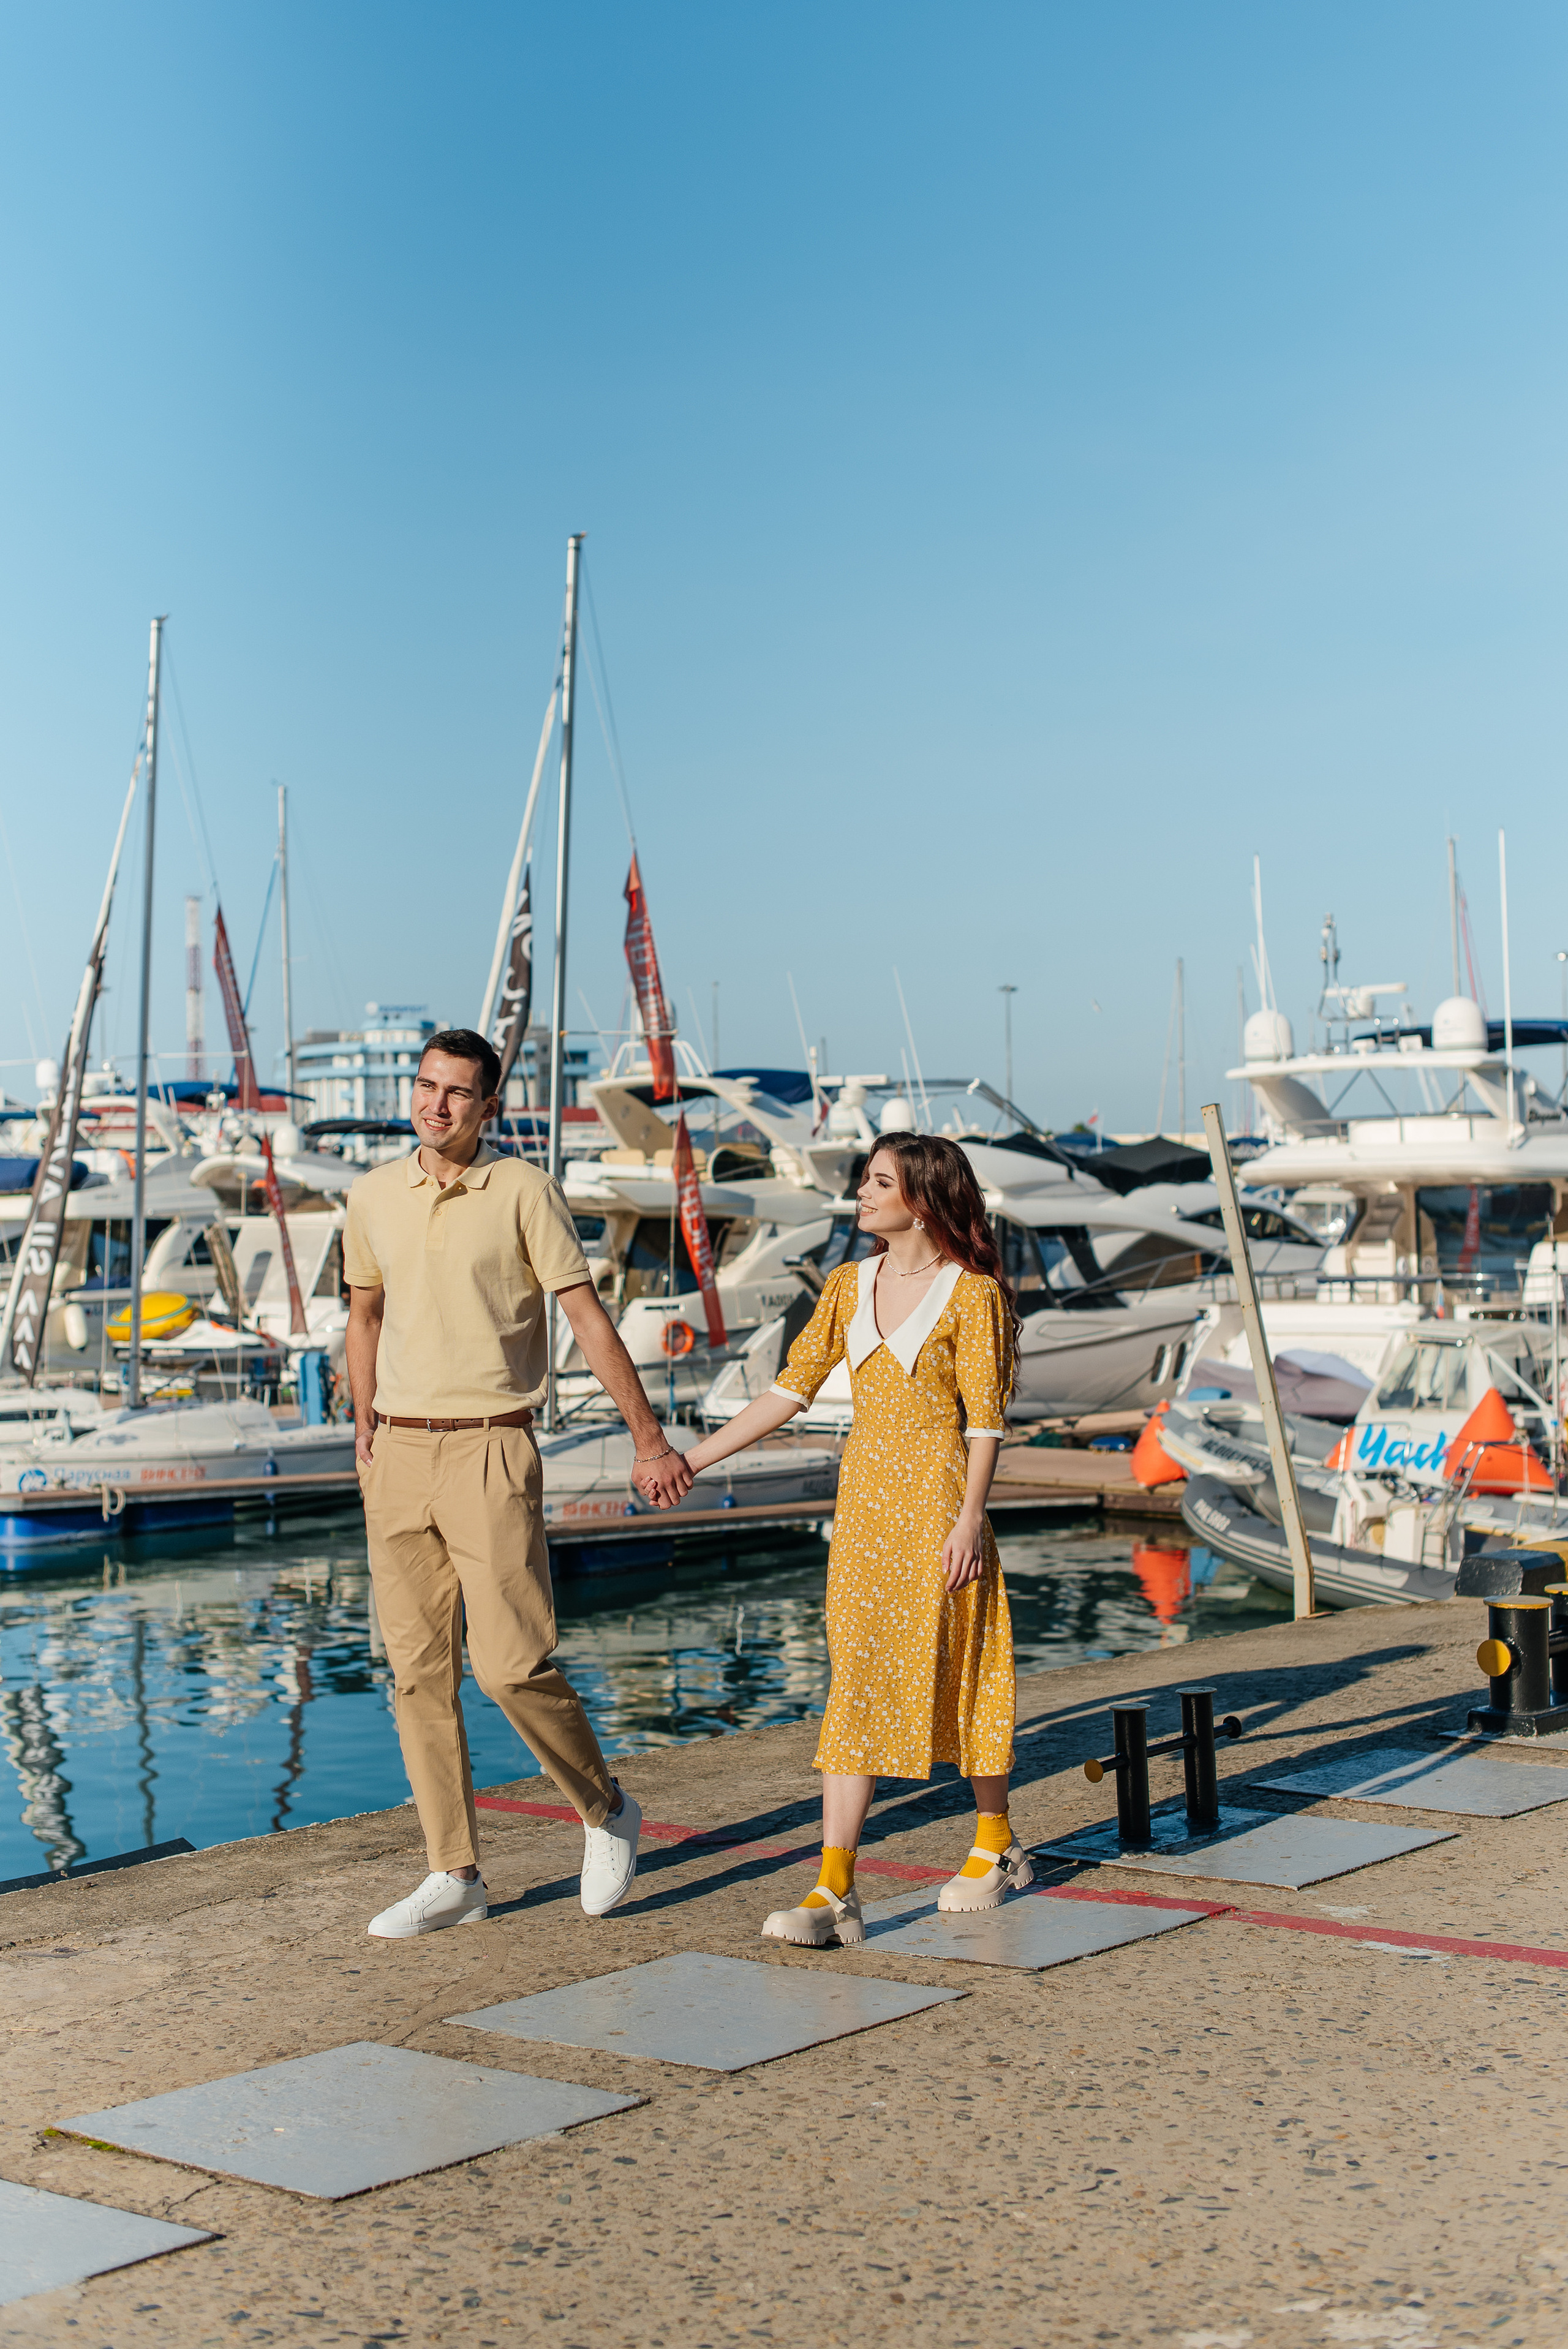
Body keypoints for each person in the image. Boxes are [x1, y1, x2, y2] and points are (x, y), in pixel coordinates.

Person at [344, 1028, 694, 1938]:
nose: (436, 1105)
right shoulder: (372, 1195)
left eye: (458, 1092)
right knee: (416, 1677)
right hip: (397, 1455)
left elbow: (586, 1317)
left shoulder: (523, 1191)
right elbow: (364, 1316)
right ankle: (454, 1874)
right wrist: (363, 1429)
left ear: (488, 1107)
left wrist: (649, 1440)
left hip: (492, 1448)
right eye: (427, 1086)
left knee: (509, 1667)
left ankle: (607, 1808)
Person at [680, 1130, 1029, 1946]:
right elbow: (788, 1391)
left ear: (923, 1199)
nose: (862, 1194)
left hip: (940, 1503)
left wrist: (970, 1518)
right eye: (864, 1181)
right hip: (866, 1509)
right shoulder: (848, 1284)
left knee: (964, 1667)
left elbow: (985, 1423)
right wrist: (693, 1459)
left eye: (878, 1182)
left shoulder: (972, 1295)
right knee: (857, 1683)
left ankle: (996, 1842)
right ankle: (834, 1889)